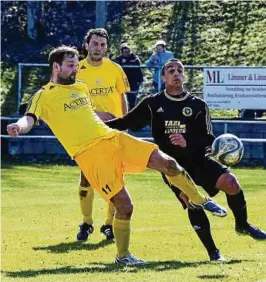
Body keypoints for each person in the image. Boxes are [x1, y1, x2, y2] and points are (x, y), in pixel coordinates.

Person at [7, 47, 227, 265]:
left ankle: (200, 199)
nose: (76, 69)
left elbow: (88, 114)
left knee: (169, 163)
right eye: (71, 65)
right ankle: (123, 256)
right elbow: (29, 118)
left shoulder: (81, 87)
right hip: (89, 154)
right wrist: (18, 126)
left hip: (113, 138)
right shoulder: (43, 95)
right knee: (125, 207)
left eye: (76, 64)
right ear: (56, 66)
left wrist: (114, 119)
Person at [106, 58, 266, 261]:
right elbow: (125, 122)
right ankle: (214, 253)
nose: (176, 74)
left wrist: (187, 141)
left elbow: (209, 139)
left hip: (200, 159)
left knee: (232, 183)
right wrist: (95, 126)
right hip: (172, 166)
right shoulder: (153, 103)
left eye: (180, 70)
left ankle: (242, 225)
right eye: (171, 71)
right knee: (192, 201)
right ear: (163, 77)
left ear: (184, 75)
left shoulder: (198, 105)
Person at [76, 28, 130, 242]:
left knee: (116, 178)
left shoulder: (116, 69)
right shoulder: (76, 70)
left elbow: (123, 97)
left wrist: (125, 122)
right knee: (86, 177)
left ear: (106, 48)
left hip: (113, 131)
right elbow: (73, 101)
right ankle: (87, 221)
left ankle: (108, 225)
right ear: (86, 44)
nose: (98, 48)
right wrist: (96, 113)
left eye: (102, 45)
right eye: (95, 43)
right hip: (88, 130)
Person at [114, 43, 143, 110]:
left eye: (128, 51)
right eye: (125, 52)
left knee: (132, 101)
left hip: (133, 82)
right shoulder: (119, 58)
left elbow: (136, 63)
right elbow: (114, 64)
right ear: (122, 53)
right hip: (122, 81)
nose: (127, 53)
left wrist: (125, 62)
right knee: (120, 100)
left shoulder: (134, 58)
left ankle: (132, 116)